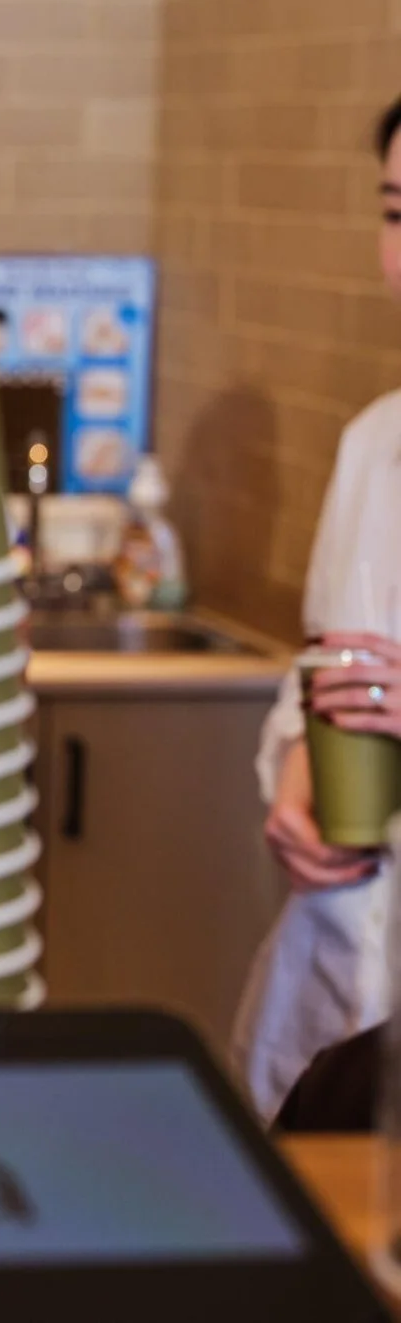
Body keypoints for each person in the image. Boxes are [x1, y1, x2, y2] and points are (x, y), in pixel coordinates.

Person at [236, 95, 401, 1118]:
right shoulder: (373, 444)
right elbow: (323, 670)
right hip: (333, 994)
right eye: (394, 213)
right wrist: (297, 764)